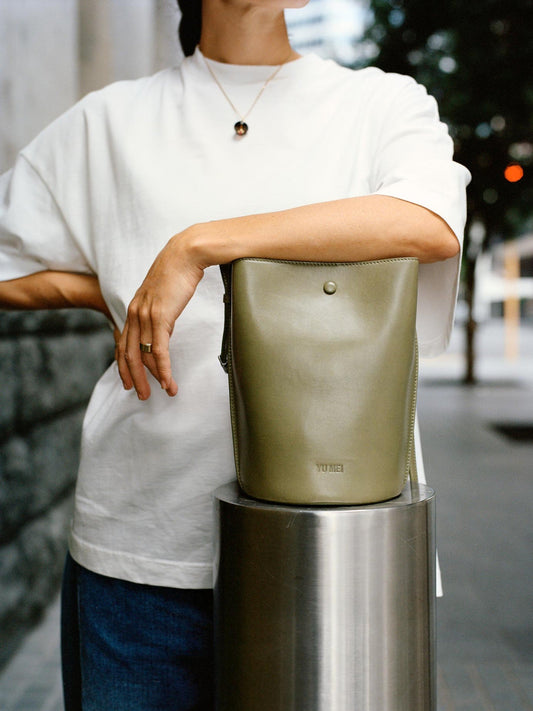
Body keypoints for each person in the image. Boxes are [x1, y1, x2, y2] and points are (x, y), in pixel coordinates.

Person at [0, 0, 470, 708]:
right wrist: (117, 290)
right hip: (140, 552)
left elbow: (428, 220)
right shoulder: (109, 122)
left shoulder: (377, 103)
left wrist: (197, 246)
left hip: (331, 555)